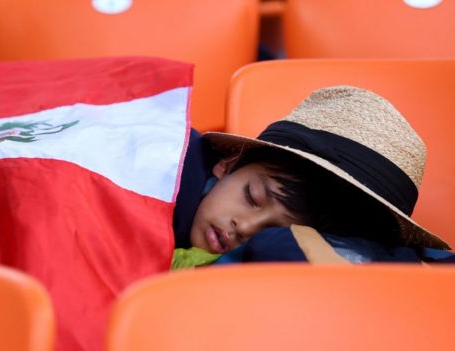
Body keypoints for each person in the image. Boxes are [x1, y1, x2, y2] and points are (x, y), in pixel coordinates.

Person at [172, 85, 452, 265]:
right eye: (252, 197)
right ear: (228, 162)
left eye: (276, 231)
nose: (245, 227)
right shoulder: (163, 174)